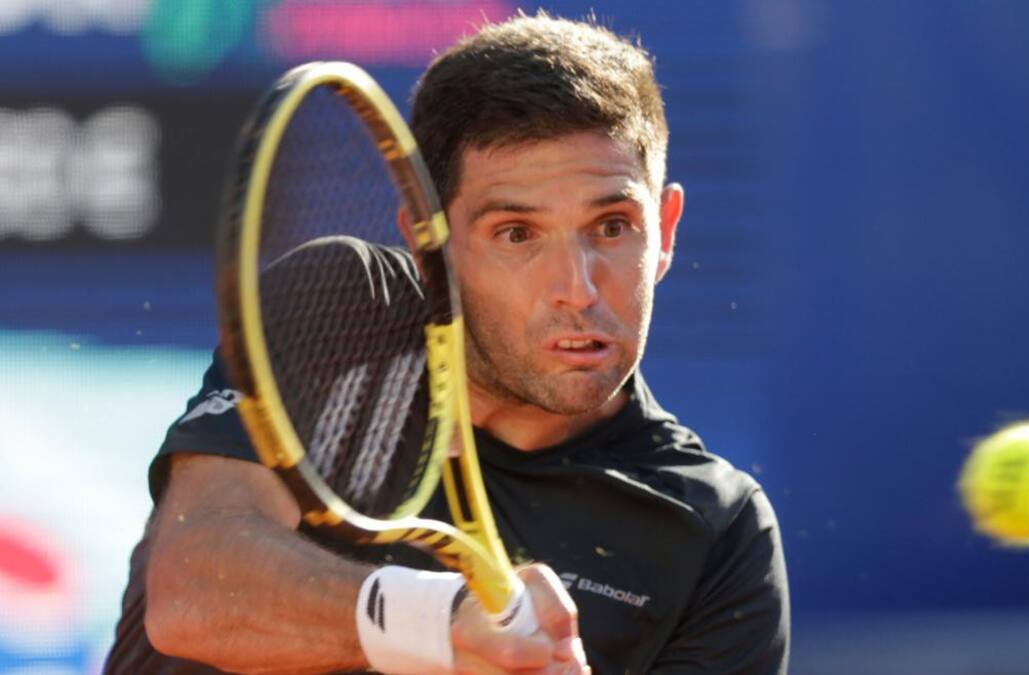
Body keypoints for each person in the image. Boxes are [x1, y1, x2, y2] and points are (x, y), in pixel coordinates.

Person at [105, 13, 789, 675]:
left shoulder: (715, 532)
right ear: (429, 243)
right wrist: (438, 624)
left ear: (665, 229)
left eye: (611, 226)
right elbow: (194, 590)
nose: (577, 288)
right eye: (517, 234)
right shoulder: (348, 307)